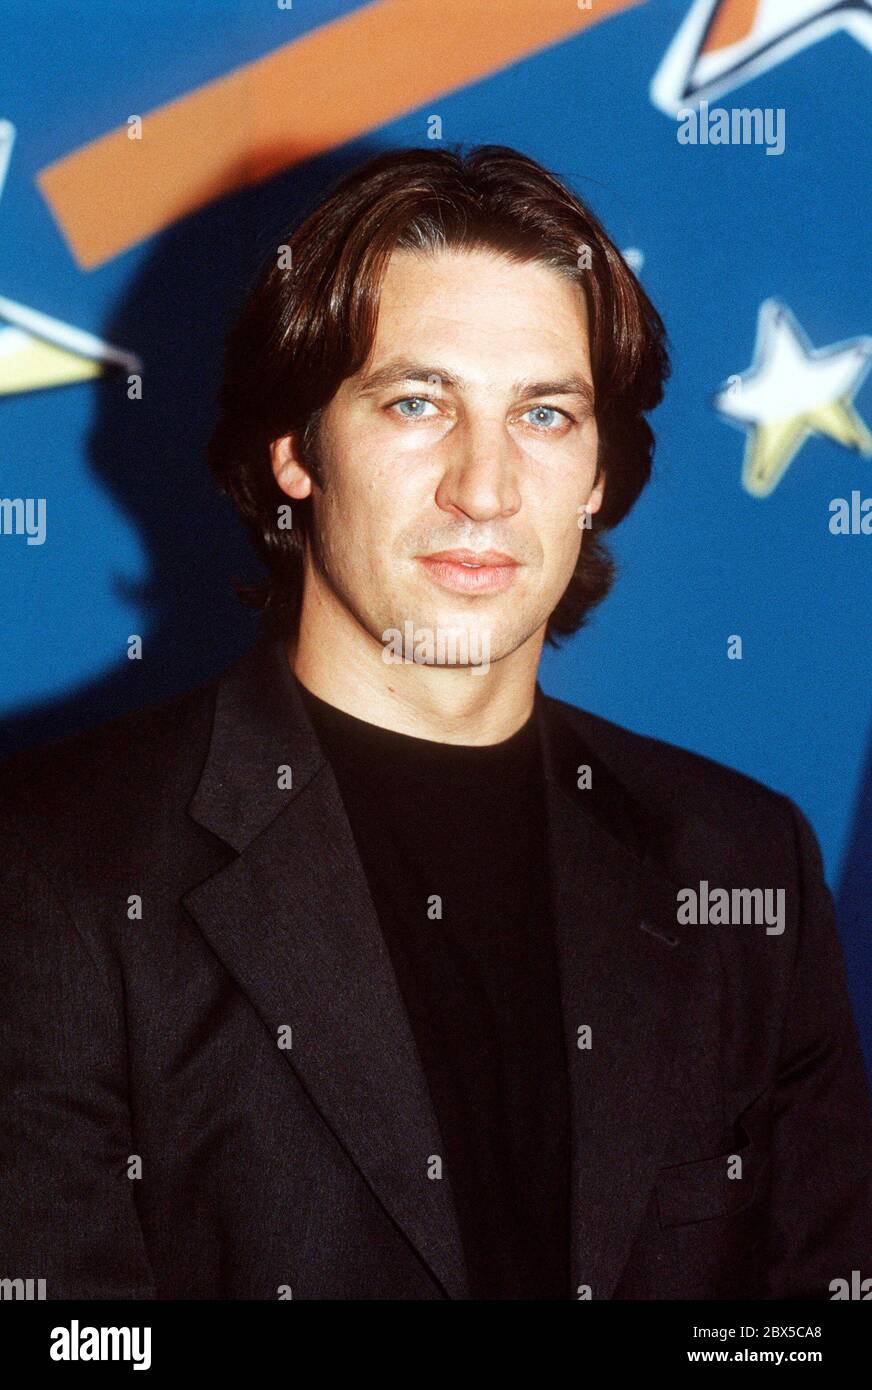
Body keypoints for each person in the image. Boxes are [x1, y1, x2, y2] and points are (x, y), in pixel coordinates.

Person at [1, 146, 869, 1301]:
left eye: (543, 414)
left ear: (596, 475)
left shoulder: (741, 861)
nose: (484, 487)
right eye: (417, 403)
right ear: (295, 447)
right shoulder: (52, 866)